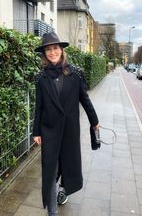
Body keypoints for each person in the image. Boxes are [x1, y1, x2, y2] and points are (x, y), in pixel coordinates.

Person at [33, 32, 100, 216]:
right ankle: (52, 211)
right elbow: (38, 107)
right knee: (51, 168)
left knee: (67, 163)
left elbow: (85, 100)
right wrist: (36, 131)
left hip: (70, 129)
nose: (52, 52)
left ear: (62, 50)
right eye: (48, 49)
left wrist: (94, 121)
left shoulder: (75, 73)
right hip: (49, 130)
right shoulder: (41, 77)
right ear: (44, 54)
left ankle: (63, 191)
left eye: (55, 48)